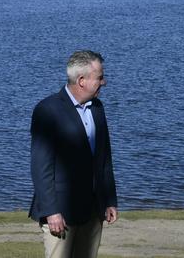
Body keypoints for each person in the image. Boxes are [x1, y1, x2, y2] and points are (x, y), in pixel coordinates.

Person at [29, 50, 118, 258]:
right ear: (81, 80)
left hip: (92, 211)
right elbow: (41, 167)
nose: (104, 82)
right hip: (61, 213)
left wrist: (110, 200)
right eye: (99, 77)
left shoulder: (97, 108)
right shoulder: (47, 111)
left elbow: (104, 158)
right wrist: (51, 211)